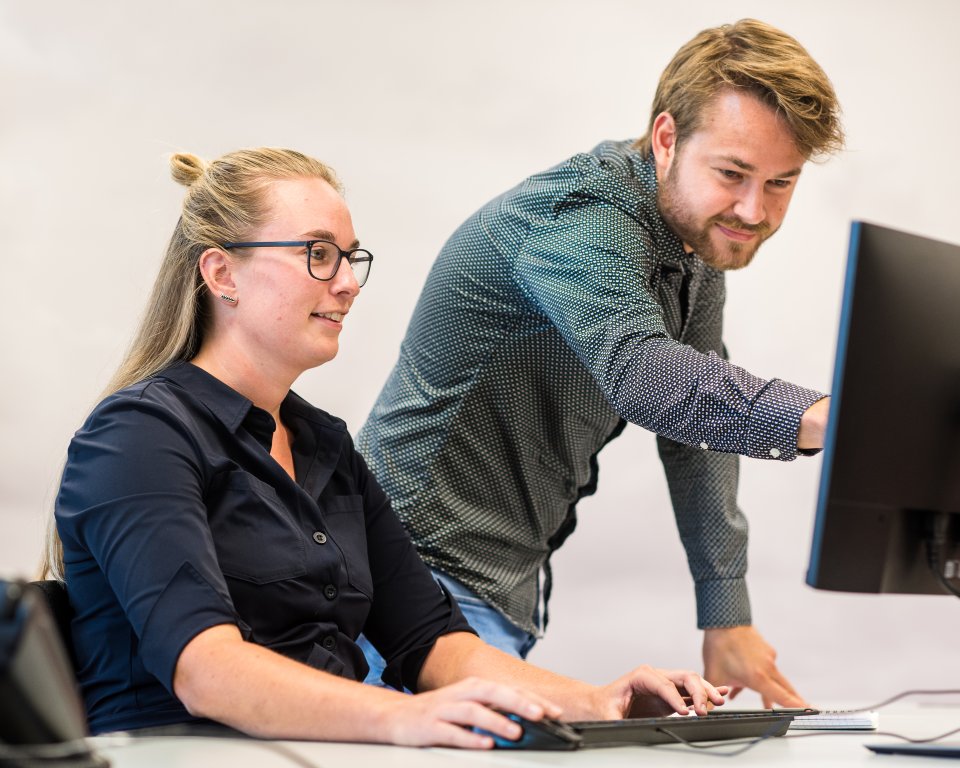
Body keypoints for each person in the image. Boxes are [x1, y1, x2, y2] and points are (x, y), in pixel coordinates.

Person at [43, 147, 725, 747]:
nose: (346, 282)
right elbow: (206, 670)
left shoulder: (324, 446)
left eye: (350, 258)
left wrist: (600, 701)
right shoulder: (137, 436)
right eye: (318, 254)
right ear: (222, 274)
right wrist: (402, 717)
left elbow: (433, 644)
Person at [357, 18, 843, 707]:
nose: (752, 209)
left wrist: (725, 611)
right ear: (667, 138)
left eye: (780, 183)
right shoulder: (583, 217)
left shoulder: (696, 242)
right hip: (411, 584)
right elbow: (648, 377)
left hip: (492, 591)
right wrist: (830, 419)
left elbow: (693, 431)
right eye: (733, 174)